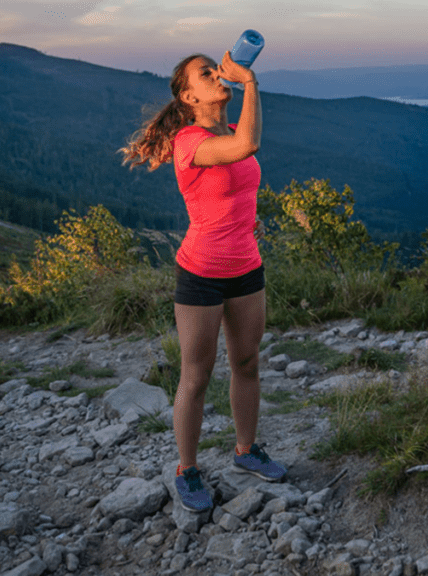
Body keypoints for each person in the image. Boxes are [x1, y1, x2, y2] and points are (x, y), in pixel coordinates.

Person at [119, 51, 286, 513]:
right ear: (190, 96)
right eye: (206, 73)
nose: (217, 76)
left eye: (219, 69)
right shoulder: (189, 143)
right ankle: (186, 469)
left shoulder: (231, 131)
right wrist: (249, 82)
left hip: (246, 267)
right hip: (202, 273)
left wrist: (246, 89)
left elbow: (243, 145)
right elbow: (249, 146)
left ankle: (246, 450)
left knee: (248, 361)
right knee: (196, 375)